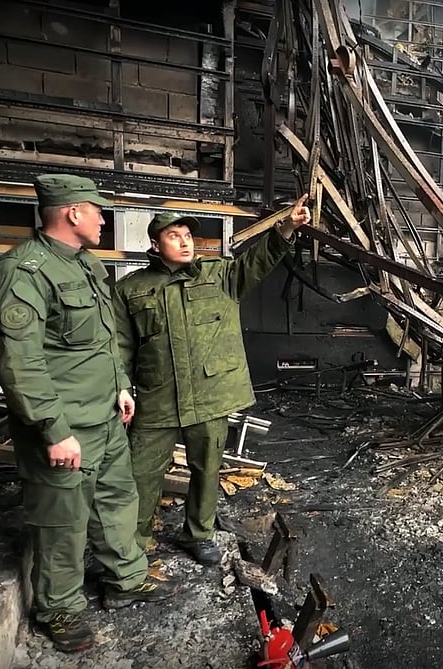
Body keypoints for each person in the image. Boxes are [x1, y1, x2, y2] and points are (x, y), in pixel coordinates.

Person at [0, 174, 177, 653]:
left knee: (116, 502)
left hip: (104, 416)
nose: (103, 218)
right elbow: (20, 364)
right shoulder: (22, 273)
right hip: (64, 426)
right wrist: (53, 429)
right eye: (97, 209)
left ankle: (124, 578)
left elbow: (104, 339)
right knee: (62, 521)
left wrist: (121, 387)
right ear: (72, 213)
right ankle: (59, 609)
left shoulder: (85, 264)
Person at [114, 195, 312, 565]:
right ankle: (131, 546)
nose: (186, 241)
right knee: (139, 474)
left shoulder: (219, 275)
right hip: (157, 396)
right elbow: (119, 345)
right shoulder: (130, 290)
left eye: (188, 234)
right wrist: (122, 386)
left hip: (208, 395)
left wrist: (286, 227)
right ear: (155, 245)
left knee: (206, 470)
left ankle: (198, 533)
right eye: (175, 235)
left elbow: (259, 259)